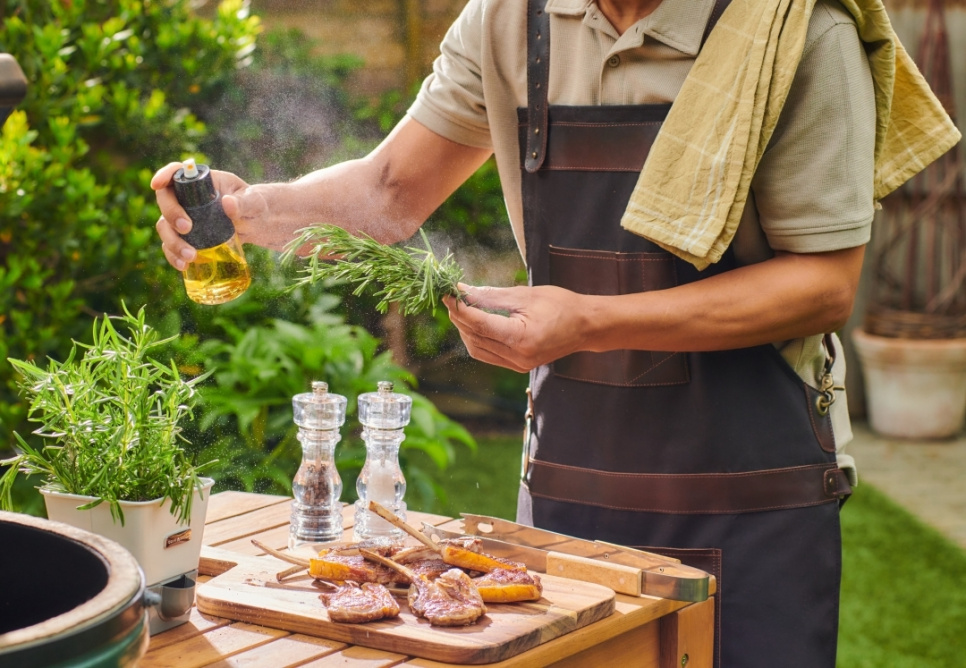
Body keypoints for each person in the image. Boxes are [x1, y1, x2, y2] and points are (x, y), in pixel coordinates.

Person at [154, 1, 879, 664]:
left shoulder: (794, 29)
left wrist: (592, 322)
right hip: (566, 491)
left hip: (752, 500)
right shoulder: (509, 19)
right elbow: (388, 193)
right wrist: (246, 210)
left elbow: (823, 284)